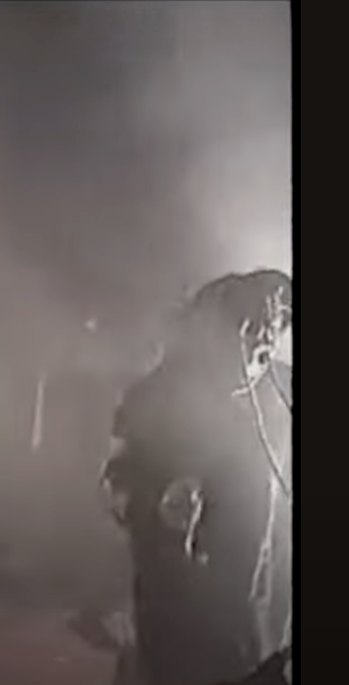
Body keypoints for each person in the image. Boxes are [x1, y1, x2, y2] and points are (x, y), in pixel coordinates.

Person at [102, 269, 292, 685]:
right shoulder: (156, 395)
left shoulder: (282, 391)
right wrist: (156, 503)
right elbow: (117, 479)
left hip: (265, 614)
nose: (264, 337)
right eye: (249, 325)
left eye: (276, 325)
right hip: (182, 609)